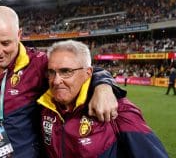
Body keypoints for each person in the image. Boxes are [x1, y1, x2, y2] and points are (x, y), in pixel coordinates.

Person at [0, 6, 125, 158]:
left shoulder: (37, 64)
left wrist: (103, 86)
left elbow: (80, 70)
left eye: (5, 43)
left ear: (19, 35)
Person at [37, 40, 168, 158]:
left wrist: (103, 84)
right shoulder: (45, 106)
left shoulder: (118, 111)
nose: (56, 81)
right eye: (51, 72)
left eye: (66, 71)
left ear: (87, 73)